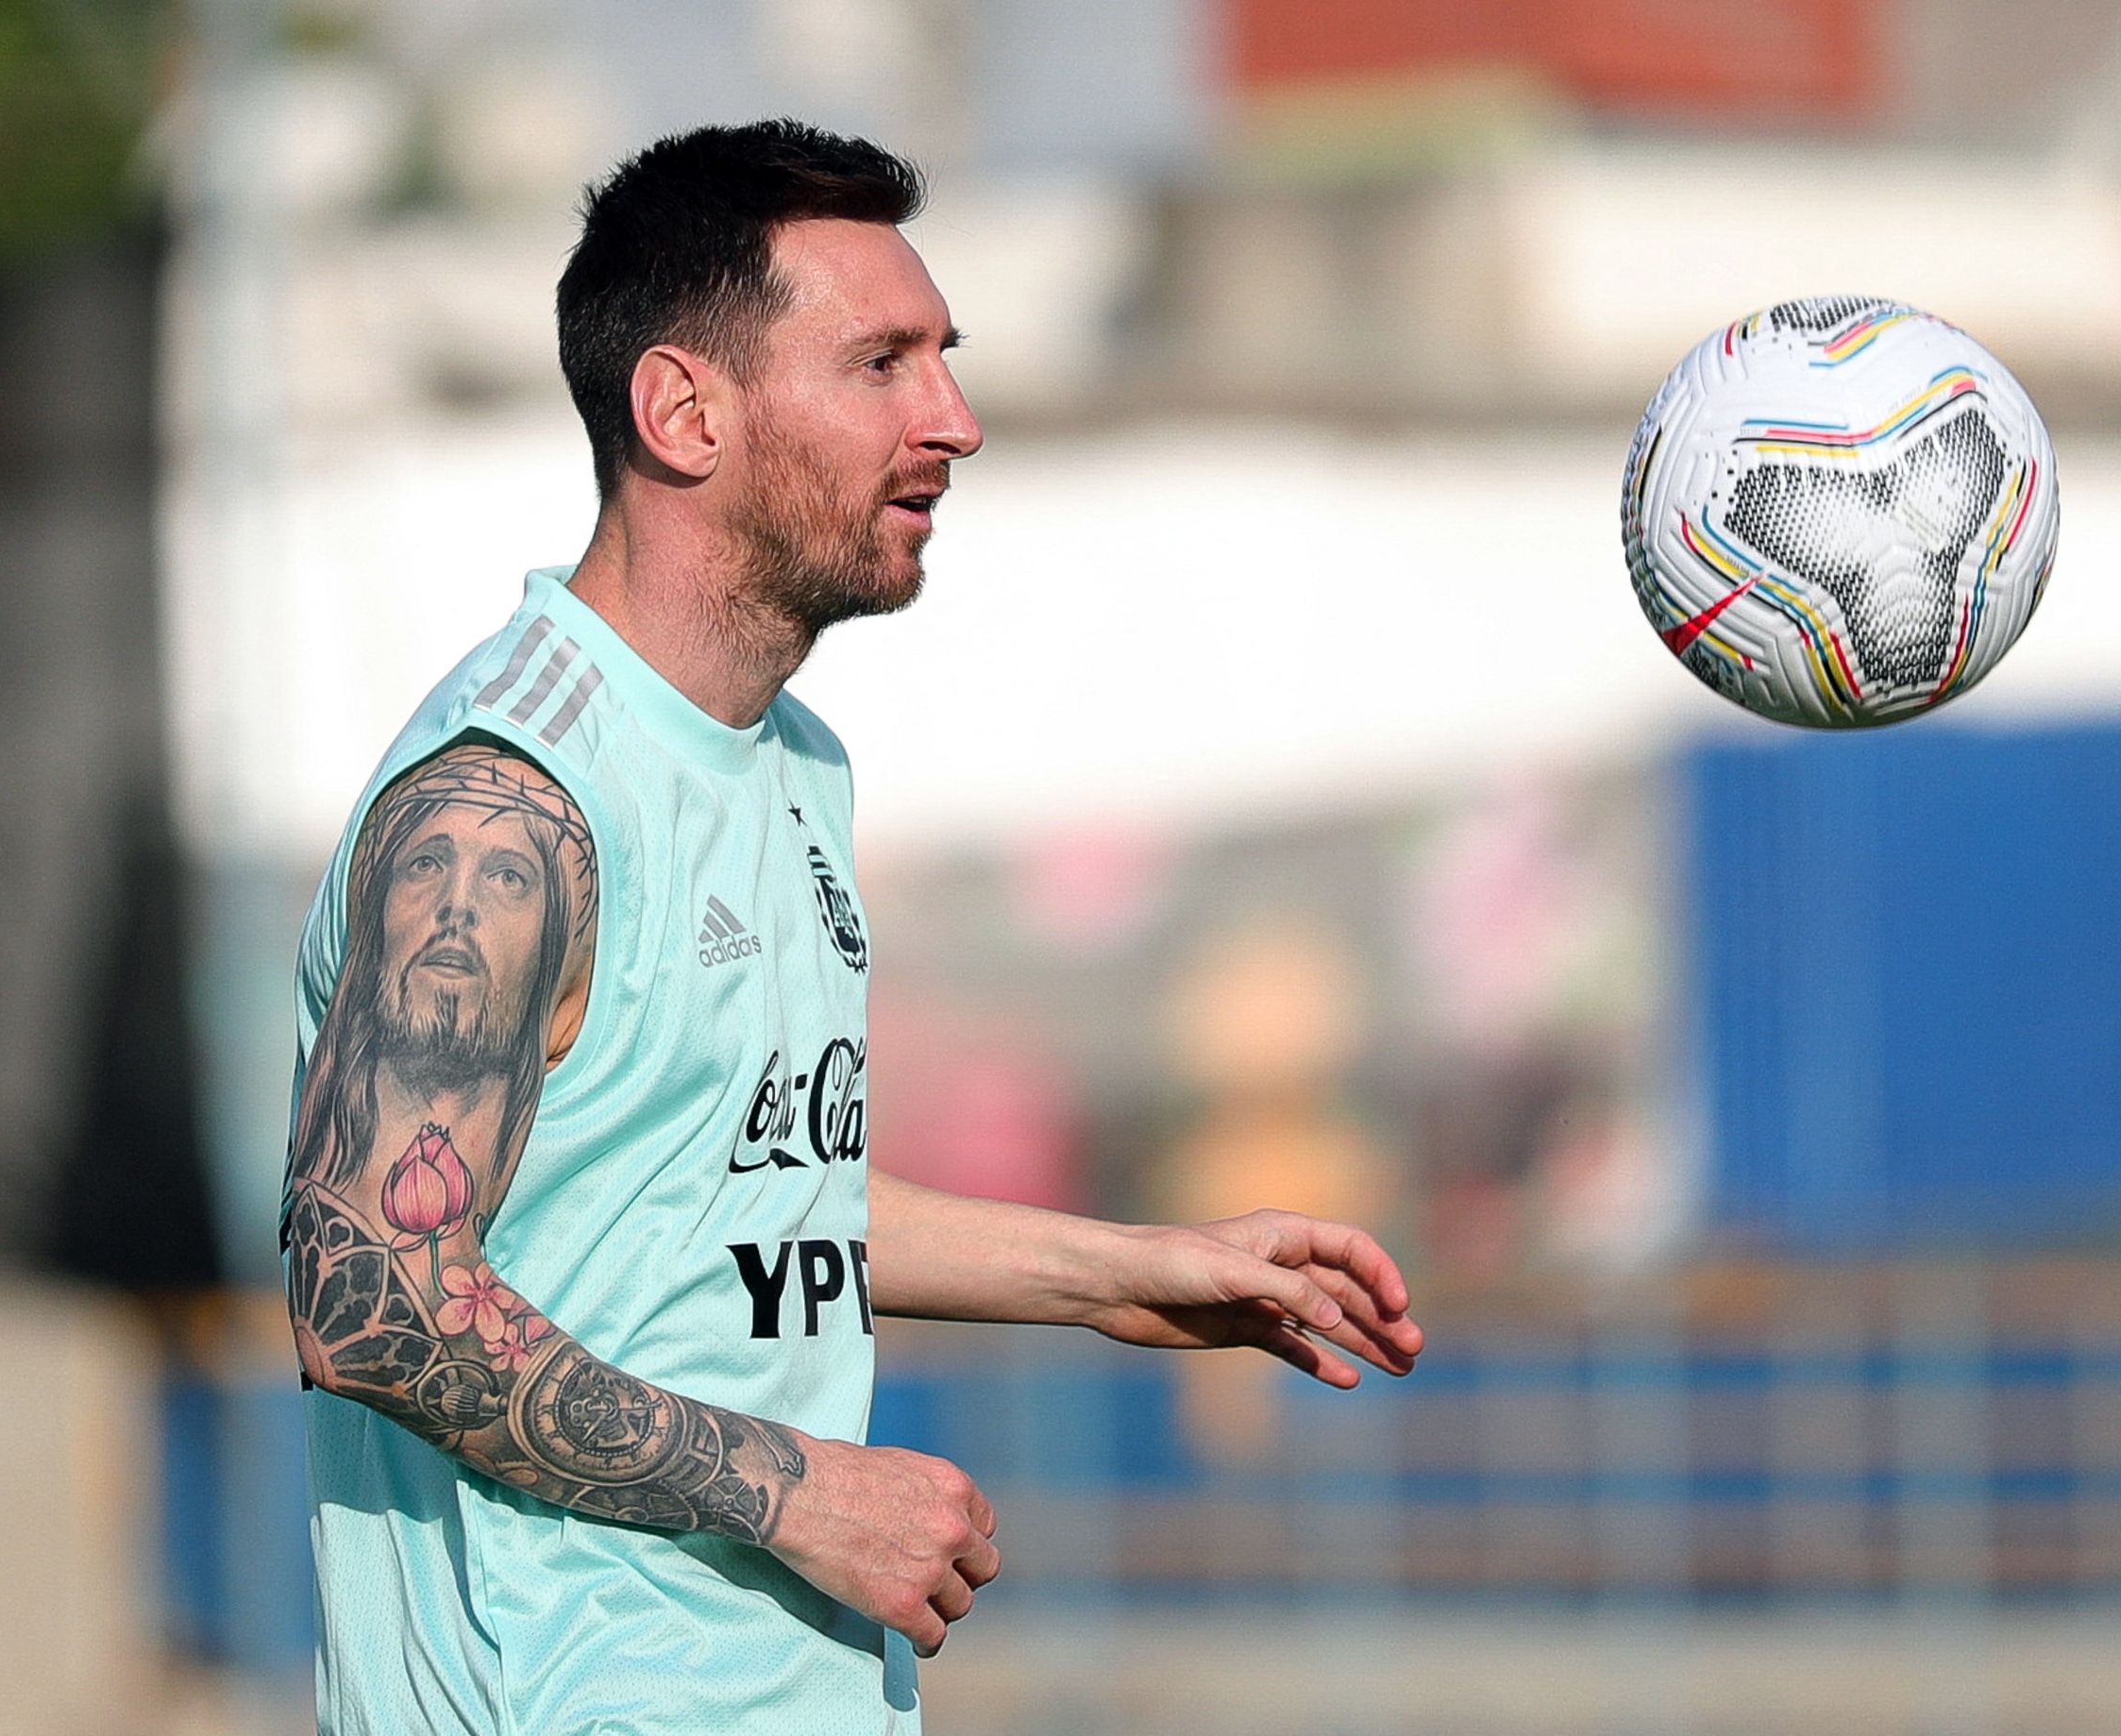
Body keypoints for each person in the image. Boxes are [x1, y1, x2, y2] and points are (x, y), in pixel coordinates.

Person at [280, 119, 1425, 1736]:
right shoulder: (505, 806)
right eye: (882, 363)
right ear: (685, 412)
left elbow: (727, 1199)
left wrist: (1127, 1275)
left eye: (943, 358)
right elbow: (369, 1297)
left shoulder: (794, 763)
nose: (952, 419)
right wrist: (800, 1491)